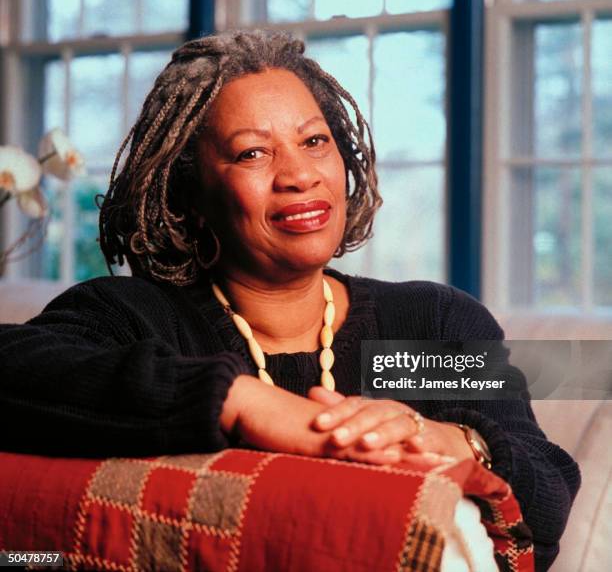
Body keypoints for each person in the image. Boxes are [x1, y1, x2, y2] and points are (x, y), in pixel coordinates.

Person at [0, 30, 579, 570]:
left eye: (314, 141)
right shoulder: (136, 319)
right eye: (252, 153)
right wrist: (239, 401)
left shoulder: (427, 326)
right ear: (192, 192)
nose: (299, 174)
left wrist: (446, 437)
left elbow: (547, 504)